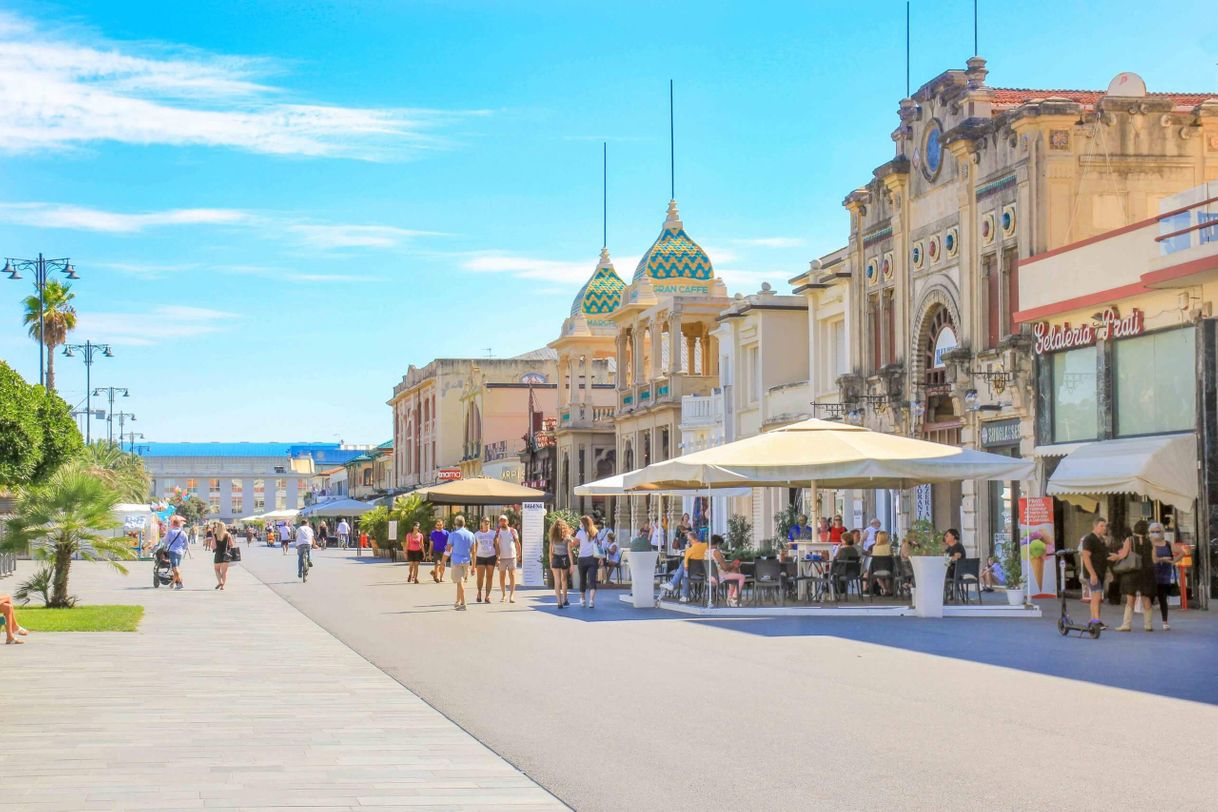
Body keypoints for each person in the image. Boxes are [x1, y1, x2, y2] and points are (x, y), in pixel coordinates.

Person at [1109, 520, 1156, 632]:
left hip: (1132, 572)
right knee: (1146, 598)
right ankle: (1148, 625)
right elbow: (1153, 558)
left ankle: (1126, 624)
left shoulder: (1129, 540)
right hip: (1146, 572)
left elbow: (1124, 555)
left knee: (1131, 598)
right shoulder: (1150, 541)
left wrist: (1116, 557)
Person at [659, 530, 708, 604]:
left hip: (692, 575)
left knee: (684, 567)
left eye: (688, 539)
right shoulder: (706, 545)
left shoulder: (689, 550)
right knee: (684, 572)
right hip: (705, 572)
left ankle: (677, 588)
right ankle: (676, 588)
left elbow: (686, 568)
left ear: (690, 540)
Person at [1079, 516, 1109, 630]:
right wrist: (1092, 574)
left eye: (1105, 526)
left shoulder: (1101, 540)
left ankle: (1095, 620)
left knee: (1097, 597)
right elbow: (1086, 556)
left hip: (1100, 572)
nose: (1104, 528)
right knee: (1096, 596)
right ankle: (1095, 621)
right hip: (1093, 573)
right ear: (1095, 526)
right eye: (1101, 526)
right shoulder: (1089, 539)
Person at [443, 516, 476, 610]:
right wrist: (473, 566)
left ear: (455, 524)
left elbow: (448, 550)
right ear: (464, 523)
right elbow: (474, 551)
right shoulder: (471, 534)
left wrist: (442, 562)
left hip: (456, 561)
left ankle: (463, 603)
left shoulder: (453, 534)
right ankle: (457, 601)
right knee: (460, 582)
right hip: (466, 562)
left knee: (460, 581)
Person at [709, 535, 746, 607]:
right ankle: (734, 599)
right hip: (718, 576)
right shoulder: (716, 552)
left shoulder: (707, 551)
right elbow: (725, 568)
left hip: (710, 576)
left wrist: (731, 566)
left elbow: (722, 566)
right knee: (742, 577)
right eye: (719, 544)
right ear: (717, 543)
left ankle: (730, 599)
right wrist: (733, 564)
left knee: (733, 574)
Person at [574, 515, 601, 608]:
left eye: (580, 522)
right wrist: (601, 558)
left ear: (584, 523)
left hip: (582, 558)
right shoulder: (596, 532)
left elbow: (574, 544)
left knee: (582, 580)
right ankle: (591, 601)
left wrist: (569, 539)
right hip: (593, 558)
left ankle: (583, 600)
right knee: (592, 580)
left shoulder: (580, 533)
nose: (579, 524)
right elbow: (600, 546)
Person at [493, 515, 521, 602]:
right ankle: (504, 595)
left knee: (512, 575)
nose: (502, 522)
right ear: (499, 522)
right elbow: (496, 545)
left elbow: (517, 543)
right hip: (502, 558)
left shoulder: (513, 531)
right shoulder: (497, 532)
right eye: (501, 520)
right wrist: (497, 557)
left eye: (504, 520)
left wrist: (519, 554)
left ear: (507, 522)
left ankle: (512, 596)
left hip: (512, 556)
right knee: (502, 577)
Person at [549, 518, 573, 609]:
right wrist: (571, 564)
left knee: (557, 581)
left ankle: (559, 602)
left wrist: (550, 562)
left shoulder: (553, 538)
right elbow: (569, 551)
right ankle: (565, 599)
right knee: (564, 580)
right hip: (564, 558)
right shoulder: (567, 537)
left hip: (555, 558)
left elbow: (550, 551)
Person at [472, 517, 498, 604]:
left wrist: (498, 558)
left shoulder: (493, 533)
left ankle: (487, 596)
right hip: (480, 557)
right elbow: (474, 549)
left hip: (491, 556)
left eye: (488, 522)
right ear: (481, 523)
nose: (487, 523)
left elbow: (497, 545)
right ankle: (479, 592)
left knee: (489, 577)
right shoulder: (476, 534)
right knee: (480, 577)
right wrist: (473, 562)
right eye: (485, 521)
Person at [164, 515, 189, 590]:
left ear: (173, 524)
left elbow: (166, 541)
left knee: (175, 568)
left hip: (172, 551)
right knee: (176, 568)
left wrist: (165, 548)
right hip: (180, 552)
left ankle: (180, 583)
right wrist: (182, 548)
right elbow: (186, 543)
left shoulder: (170, 532)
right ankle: (173, 583)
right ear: (179, 524)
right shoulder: (183, 533)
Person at [868, 531, 895, 597]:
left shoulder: (874, 547)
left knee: (878, 576)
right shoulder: (889, 547)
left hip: (876, 570)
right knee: (888, 576)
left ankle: (885, 589)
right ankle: (888, 590)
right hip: (888, 569)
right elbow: (892, 557)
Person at [213, 521, 233, 590]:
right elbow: (231, 544)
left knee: (216, 569)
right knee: (224, 572)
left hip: (218, 554)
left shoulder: (215, 535)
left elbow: (213, 546)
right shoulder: (228, 534)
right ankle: (222, 586)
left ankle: (220, 582)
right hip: (226, 554)